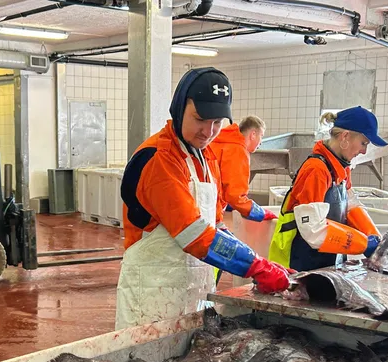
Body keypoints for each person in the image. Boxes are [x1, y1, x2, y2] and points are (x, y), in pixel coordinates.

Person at [116, 68, 292, 330]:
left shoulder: (205, 156)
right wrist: (255, 267)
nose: (208, 131)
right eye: (200, 119)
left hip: (193, 289)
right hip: (152, 294)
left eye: (217, 122)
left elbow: (216, 225)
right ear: (178, 108)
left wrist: (258, 259)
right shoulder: (159, 158)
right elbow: (195, 234)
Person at [268, 106, 386, 272]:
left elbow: (350, 205)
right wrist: (364, 244)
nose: (364, 151)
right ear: (345, 136)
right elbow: (312, 230)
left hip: (326, 261)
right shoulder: (316, 170)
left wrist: (375, 238)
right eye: (363, 143)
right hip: (297, 266)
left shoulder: (341, 168)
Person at [210, 115, 278, 222]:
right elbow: (235, 196)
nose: (261, 142)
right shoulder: (238, 150)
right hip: (211, 210)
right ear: (253, 135)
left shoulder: (217, 141)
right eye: (262, 136)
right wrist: (260, 213)